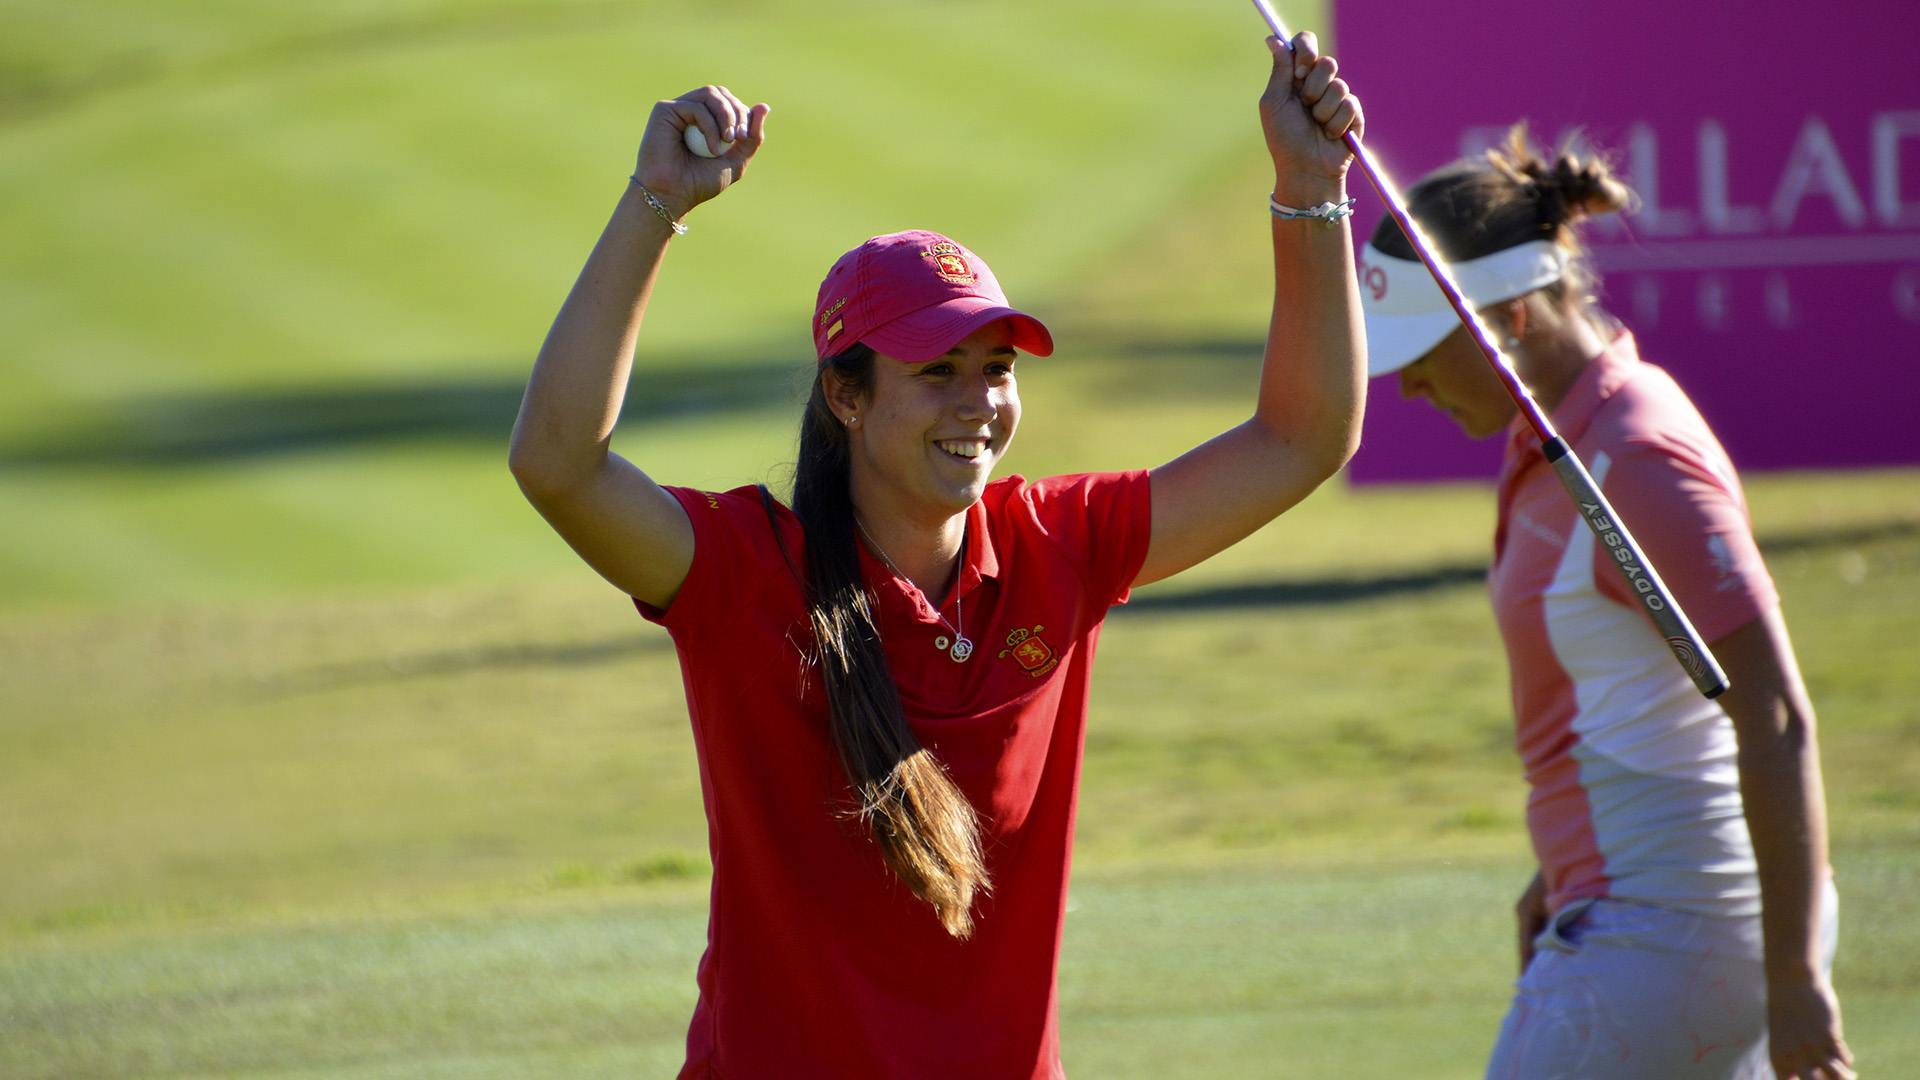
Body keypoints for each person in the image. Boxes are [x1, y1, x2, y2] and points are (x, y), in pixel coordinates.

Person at [507, 32, 1363, 1080]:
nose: (980, 404)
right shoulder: (744, 574)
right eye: (940, 371)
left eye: (996, 368)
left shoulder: (1060, 546)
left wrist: (1308, 185)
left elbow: (1302, 438)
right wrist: (655, 204)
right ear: (847, 396)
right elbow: (558, 465)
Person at [1359, 127, 1854, 1080]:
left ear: (1513, 315)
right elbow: (1633, 695)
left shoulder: (1637, 453)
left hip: (1674, 933)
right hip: (1650, 917)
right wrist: (1560, 866)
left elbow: (1774, 709)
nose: (1408, 384)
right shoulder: (1549, 442)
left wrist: (1795, 978)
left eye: (1424, 350)